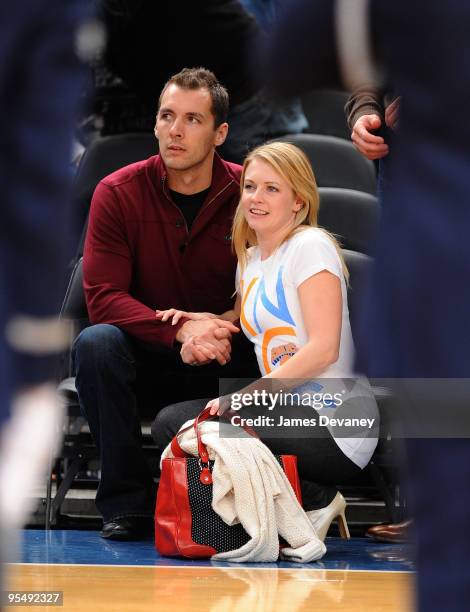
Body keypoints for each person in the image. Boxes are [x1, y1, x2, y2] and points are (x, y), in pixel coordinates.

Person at [152, 142, 378, 541]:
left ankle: (310, 499)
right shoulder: (251, 258)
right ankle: (307, 500)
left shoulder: (311, 247)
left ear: (298, 201)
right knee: (172, 423)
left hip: (335, 421)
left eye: (273, 189)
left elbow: (324, 349)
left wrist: (243, 399)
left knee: (201, 427)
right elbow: (241, 319)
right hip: (284, 410)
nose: (256, 198)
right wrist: (196, 323)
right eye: (251, 186)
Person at [72, 67, 260, 541]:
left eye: (193, 119)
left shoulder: (250, 194)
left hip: (225, 352)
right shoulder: (116, 192)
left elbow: (272, 285)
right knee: (96, 343)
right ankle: (126, 505)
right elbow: (103, 298)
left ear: (220, 133)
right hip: (147, 357)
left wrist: (219, 324)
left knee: (274, 344)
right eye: (167, 116)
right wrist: (179, 330)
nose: (175, 130)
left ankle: (258, 497)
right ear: (155, 123)